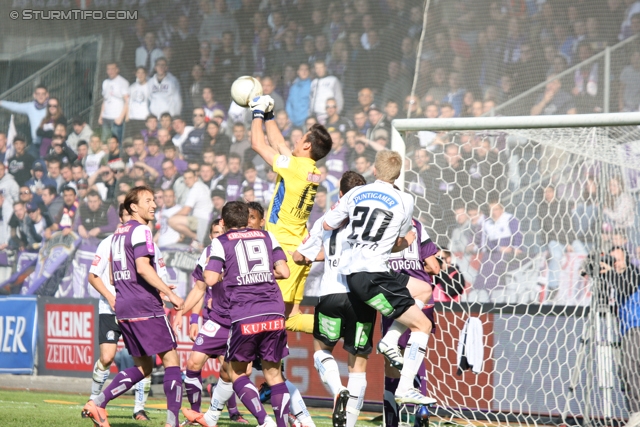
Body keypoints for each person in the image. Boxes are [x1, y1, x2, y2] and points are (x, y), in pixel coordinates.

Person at [322, 150, 437, 405]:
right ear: (397, 175)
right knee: (423, 326)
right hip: (374, 275)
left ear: (374, 170)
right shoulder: (405, 199)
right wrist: (405, 242)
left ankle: (390, 340)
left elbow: (328, 224)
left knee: (423, 290)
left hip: (358, 273)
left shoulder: (353, 193)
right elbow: (398, 241)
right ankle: (406, 387)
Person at [181, 201, 292, 427]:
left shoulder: (220, 242)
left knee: (237, 372)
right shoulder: (267, 236)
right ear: (246, 219)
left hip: (245, 313)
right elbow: (284, 271)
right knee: (274, 375)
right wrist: (259, 274)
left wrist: (232, 274)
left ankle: (264, 421)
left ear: (223, 222)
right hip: (274, 310)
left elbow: (209, 279)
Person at [81, 186, 184, 427]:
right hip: (145, 307)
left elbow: (120, 276)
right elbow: (142, 268)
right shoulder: (141, 231)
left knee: (144, 366)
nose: (154, 205)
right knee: (171, 360)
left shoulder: (117, 235)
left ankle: (97, 404)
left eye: (154, 200)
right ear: (133, 207)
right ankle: (173, 422)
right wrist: (169, 294)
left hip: (124, 307)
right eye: (148, 200)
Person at [293, 171, 374, 427]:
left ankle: (338, 390)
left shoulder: (326, 220)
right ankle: (348, 425)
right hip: (362, 297)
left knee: (322, 350)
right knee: (358, 365)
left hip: (330, 294)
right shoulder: (371, 222)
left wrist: (322, 256)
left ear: (340, 194)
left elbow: (298, 256)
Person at [249, 94, 332, 333]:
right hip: (300, 246)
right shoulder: (312, 169)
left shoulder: (295, 168)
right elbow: (279, 144)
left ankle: (269, 356)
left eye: (301, 138)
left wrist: (256, 113)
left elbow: (258, 144)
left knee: (276, 315)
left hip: (285, 251)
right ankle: (336, 326)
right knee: (292, 318)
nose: (295, 140)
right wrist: (270, 114)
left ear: (307, 145)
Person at [86, 204, 164, 422]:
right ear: (121, 219)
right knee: (107, 357)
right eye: (126, 217)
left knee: (144, 361)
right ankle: (93, 401)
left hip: (139, 309)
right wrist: (110, 298)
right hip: (111, 309)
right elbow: (93, 276)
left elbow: (159, 274)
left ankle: (139, 409)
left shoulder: (150, 245)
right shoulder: (107, 243)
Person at [178, 220, 250, 426]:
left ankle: (232, 412)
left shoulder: (235, 250)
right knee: (193, 363)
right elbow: (200, 290)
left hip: (235, 318)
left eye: (222, 231)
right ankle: (195, 414)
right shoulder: (208, 253)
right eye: (215, 232)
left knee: (230, 369)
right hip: (212, 318)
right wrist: (193, 319)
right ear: (210, 236)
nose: (219, 235)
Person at [598, 246, 640, 427]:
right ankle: (636, 413)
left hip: (636, 327)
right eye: (612, 259)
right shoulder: (614, 276)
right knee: (628, 372)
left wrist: (608, 274)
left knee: (630, 370)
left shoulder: (633, 272)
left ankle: (637, 414)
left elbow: (626, 287)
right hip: (627, 329)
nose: (615, 263)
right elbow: (603, 300)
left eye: (618, 259)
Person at [167, 169, 214, 246]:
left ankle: (196, 237)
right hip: (207, 219)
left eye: (190, 178)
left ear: (196, 178)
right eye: (185, 178)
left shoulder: (195, 189)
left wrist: (171, 216)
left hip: (201, 220)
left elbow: (186, 210)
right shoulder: (203, 186)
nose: (187, 180)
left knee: (172, 221)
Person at [100, 63, 130, 144]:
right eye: (108, 69)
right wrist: (101, 116)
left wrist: (121, 117)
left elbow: (127, 101)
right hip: (106, 118)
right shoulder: (105, 82)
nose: (110, 71)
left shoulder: (123, 82)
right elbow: (104, 100)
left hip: (116, 118)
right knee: (105, 143)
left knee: (116, 143)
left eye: (113, 69)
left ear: (117, 70)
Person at [309, 59, 343, 124]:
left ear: (325, 68)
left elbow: (339, 99)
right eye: (317, 68)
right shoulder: (313, 82)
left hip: (328, 115)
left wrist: (336, 114)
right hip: (315, 116)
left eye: (321, 67)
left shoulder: (333, 80)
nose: (319, 70)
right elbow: (311, 99)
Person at [127, 67, 151, 138]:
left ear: (146, 74)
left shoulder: (150, 86)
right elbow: (128, 103)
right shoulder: (132, 87)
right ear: (136, 74)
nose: (140, 75)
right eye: (138, 73)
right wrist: (128, 115)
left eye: (142, 73)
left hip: (145, 118)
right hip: (133, 118)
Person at [286, 63, 312, 127]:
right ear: (298, 72)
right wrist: (290, 118)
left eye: (306, 70)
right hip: (293, 122)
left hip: (306, 123)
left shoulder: (312, 85)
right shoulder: (293, 87)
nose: (304, 72)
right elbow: (289, 103)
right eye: (302, 69)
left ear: (309, 72)